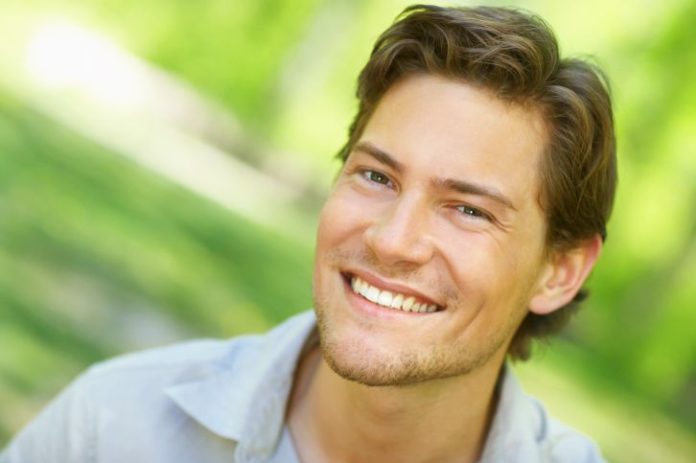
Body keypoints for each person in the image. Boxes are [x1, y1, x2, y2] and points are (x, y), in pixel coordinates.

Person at [1, 4, 616, 463]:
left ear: (559, 270)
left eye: (469, 210)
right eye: (377, 176)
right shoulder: (113, 426)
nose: (392, 240)